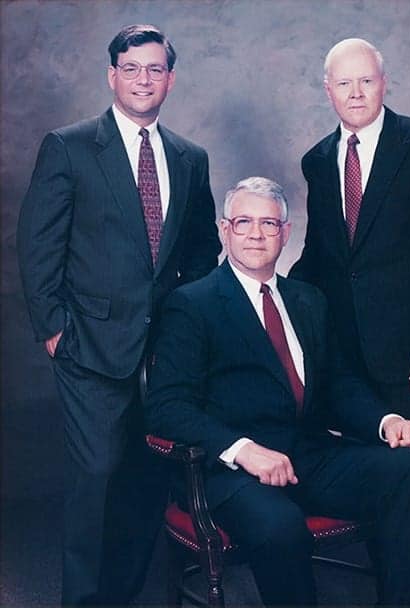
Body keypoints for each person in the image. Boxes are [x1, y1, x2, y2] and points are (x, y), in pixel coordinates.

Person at [146, 176, 410, 607]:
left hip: (307, 454)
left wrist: (387, 421)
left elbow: (339, 386)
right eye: (243, 222)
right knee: (279, 524)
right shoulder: (192, 303)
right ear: (223, 230)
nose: (255, 234)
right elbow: (167, 407)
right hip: (229, 471)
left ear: (286, 234)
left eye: (269, 224)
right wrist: (243, 449)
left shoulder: (308, 300)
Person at [17, 24, 221, 606]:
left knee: (148, 481)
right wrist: (55, 331)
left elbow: (201, 251)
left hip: (163, 354)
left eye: (154, 69)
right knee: (96, 480)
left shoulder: (189, 157)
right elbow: (37, 246)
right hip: (88, 346)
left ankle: (127, 597)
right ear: (112, 76)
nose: (142, 79)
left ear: (170, 80)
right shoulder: (70, 146)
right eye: (130, 68)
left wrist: (189, 329)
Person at [289, 38, 410, 582]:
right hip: (345, 361)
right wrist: (255, 287)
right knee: (379, 483)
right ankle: (392, 590)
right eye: (344, 83)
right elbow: (322, 259)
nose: (356, 92)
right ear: (328, 91)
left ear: (384, 83)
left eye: (366, 80)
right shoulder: (319, 161)